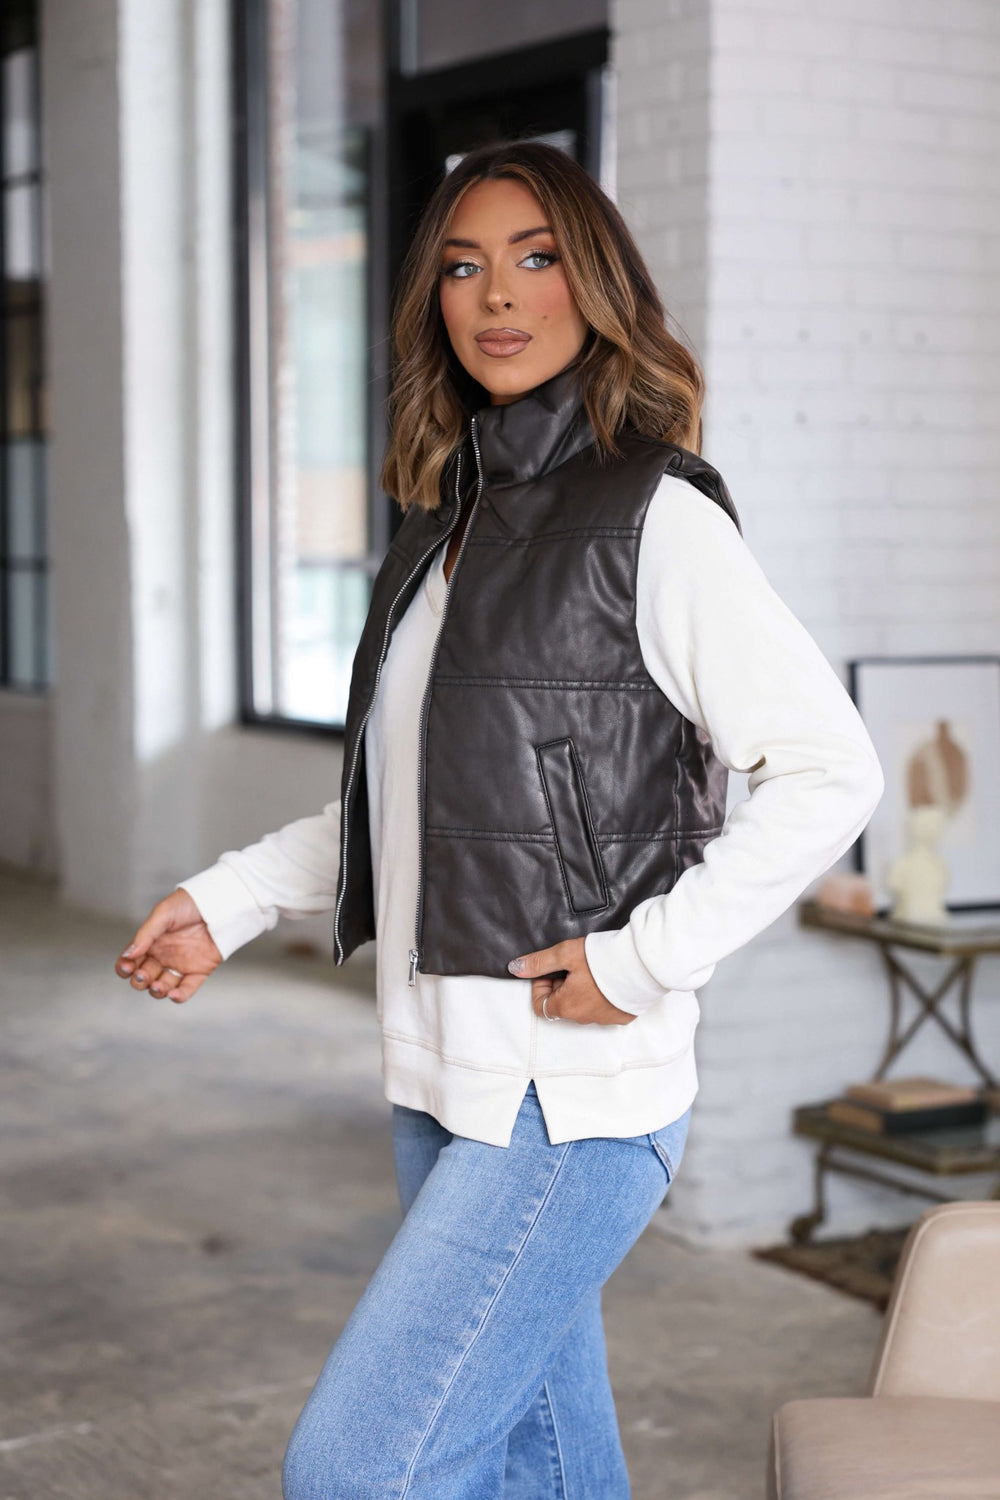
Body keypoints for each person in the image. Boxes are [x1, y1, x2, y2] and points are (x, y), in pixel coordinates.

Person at [114, 140, 885, 1498]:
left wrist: (641, 958)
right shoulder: (438, 528)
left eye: (535, 258)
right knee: (547, 1464)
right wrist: (228, 900)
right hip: (440, 1083)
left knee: (354, 1469)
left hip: (570, 1104)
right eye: (463, 266)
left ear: (597, 284)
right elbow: (407, 806)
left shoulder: (657, 517)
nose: (498, 296)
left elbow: (832, 769)